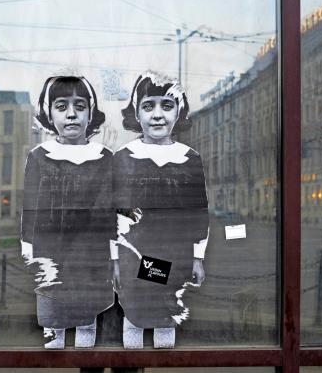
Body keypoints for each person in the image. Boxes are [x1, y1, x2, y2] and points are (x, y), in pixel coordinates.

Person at [112, 71, 209, 349]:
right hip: (134, 256)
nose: (157, 115)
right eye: (148, 106)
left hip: (174, 255)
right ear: (136, 112)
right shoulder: (124, 157)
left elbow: (198, 212)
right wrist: (115, 260)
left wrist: (197, 257)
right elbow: (114, 216)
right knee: (135, 317)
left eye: (166, 106)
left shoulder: (191, 159)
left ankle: (161, 359)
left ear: (179, 112)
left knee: (166, 318)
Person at [21, 76, 115, 349]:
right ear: (49, 113)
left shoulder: (105, 157)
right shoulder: (39, 157)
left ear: (90, 112)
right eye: (61, 106)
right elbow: (30, 211)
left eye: (80, 106)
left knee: (87, 329)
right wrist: (29, 253)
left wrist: (115, 256)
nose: (71, 114)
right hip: (52, 261)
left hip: (92, 261)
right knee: (53, 335)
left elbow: (112, 215)